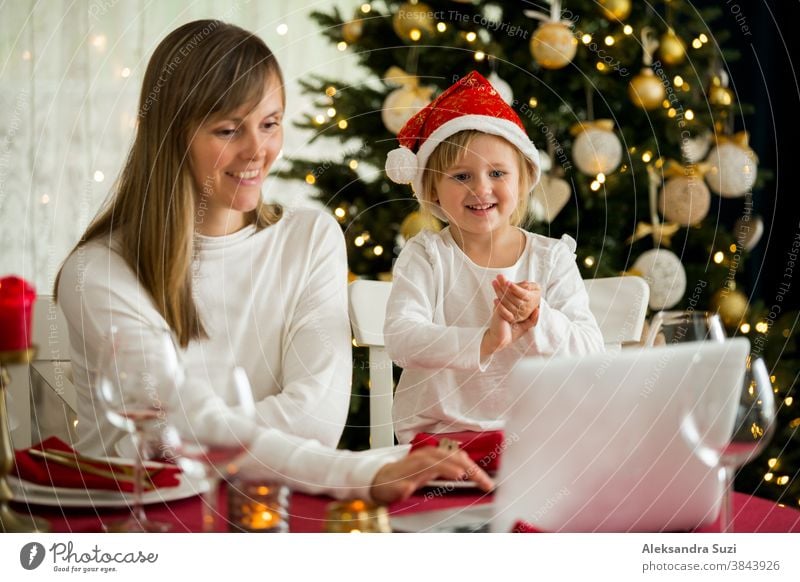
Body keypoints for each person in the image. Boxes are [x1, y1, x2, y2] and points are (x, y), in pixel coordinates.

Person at [55, 20, 491, 503]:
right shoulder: (97, 272)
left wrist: (212, 435)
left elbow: (317, 421)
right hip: (137, 528)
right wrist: (358, 473)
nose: (258, 151)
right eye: (227, 129)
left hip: (268, 510)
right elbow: (167, 433)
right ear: (170, 136)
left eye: (270, 123)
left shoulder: (308, 238)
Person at [383, 71, 605, 443]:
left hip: (538, 437)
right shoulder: (427, 256)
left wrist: (539, 317)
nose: (481, 188)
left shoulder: (551, 259)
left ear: (521, 183)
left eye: (498, 172)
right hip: (440, 437)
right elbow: (402, 338)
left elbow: (589, 350)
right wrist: (484, 341)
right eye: (461, 176)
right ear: (433, 191)